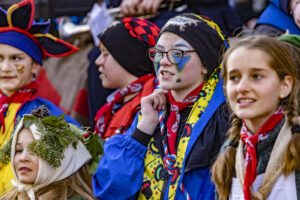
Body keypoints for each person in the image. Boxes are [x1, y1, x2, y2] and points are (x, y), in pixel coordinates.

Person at [93, 13, 230, 199]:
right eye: (159, 52)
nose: (163, 61)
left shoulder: (224, 118)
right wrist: (142, 131)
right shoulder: (151, 112)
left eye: (177, 53)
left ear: (206, 63)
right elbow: (111, 190)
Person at [0, 0, 80, 195]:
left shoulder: (46, 114)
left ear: (35, 66)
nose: (5, 68)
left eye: (16, 58)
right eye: (0, 59)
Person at [212, 35, 300, 200]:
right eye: (234, 78)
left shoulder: (296, 145)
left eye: (257, 76)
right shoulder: (229, 151)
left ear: (285, 86)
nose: (242, 87)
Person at [0, 106, 95, 200]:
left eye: (35, 150)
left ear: (60, 159)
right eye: (19, 150)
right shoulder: (11, 197)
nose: (23, 158)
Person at [93, 17, 160, 139]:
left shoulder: (145, 108)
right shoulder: (114, 105)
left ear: (129, 59)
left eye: (105, 54)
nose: (97, 61)